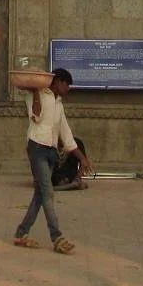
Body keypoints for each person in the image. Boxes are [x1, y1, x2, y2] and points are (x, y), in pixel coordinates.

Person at [13, 68, 93, 253]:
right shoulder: (38, 94)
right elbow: (36, 116)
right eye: (67, 84)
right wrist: (34, 94)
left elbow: (66, 134)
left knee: (40, 195)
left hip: (51, 152)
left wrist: (83, 158)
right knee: (48, 193)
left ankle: (21, 232)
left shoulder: (59, 103)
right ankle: (57, 237)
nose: (68, 88)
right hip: (37, 149)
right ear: (57, 82)